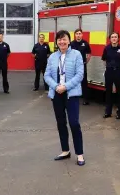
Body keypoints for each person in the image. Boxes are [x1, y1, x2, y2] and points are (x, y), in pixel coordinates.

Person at [44, 30, 85, 165]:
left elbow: (80, 75)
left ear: (69, 40)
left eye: (64, 39)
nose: (62, 42)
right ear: (56, 42)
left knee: (74, 123)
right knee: (61, 123)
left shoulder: (76, 54)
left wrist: (65, 86)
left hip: (71, 94)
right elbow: (46, 75)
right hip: (56, 95)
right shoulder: (52, 57)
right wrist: (56, 86)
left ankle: (80, 154)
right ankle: (65, 151)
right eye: (59, 40)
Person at [101, 32, 120, 119]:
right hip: (109, 72)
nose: (113, 38)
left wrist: (119, 69)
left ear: (118, 38)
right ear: (110, 39)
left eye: (115, 37)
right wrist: (109, 67)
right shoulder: (107, 48)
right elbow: (104, 60)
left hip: (119, 72)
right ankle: (107, 112)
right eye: (112, 37)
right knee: (108, 92)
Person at [70, 29, 92, 105]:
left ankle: (86, 99)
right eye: (77, 34)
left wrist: (85, 62)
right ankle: (72, 97)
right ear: (75, 35)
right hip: (73, 66)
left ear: (82, 35)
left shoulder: (85, 43)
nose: (78, 35)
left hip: (82, 66)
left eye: (80, 33)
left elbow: (89, 54)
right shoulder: (71, 43)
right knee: (73, 81)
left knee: (84, 82)